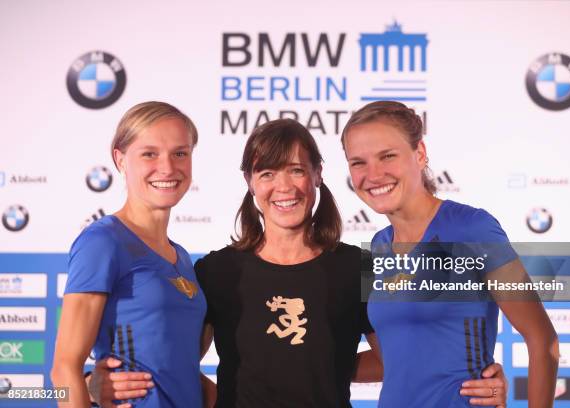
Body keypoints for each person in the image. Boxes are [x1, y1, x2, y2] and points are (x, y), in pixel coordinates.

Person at [89, 119, 509, 407]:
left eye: (295, 170)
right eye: (267, 173)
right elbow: (176, 361)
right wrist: (98, 382)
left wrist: (468, 378)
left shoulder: (356, 267)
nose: (283, 186)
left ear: (317, 176)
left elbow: (395, 357)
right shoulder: (215, 272)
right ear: (250, 183)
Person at [341, 101, 559, 407]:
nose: (373, 174)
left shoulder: (472, 229)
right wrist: (305, 364)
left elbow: (543, 341)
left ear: (419, 153)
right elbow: (391, 361)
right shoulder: (377, 246)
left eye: (387, 156)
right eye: (358, 162)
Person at [51, 101, 207, 408]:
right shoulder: (102, 241)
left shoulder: (182, 257)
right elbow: (63, 370)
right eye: (149, 154)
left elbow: (174, 365)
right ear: (120, 159)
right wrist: (88, 387)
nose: (168, 167)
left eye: (180, 153)